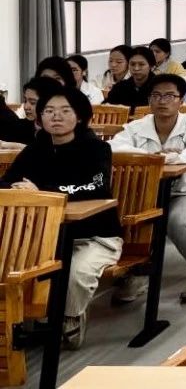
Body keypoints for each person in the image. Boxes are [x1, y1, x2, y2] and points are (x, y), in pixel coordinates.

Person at [0, 86, 123, 347]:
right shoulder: (35, 150)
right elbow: (7, 182)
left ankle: (70, 320)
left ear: (79, 116)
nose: (56, 116)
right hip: (43, 235)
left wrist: (43, 192)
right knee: (10, 265)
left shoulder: (96, 149)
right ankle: (15, 322)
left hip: (95, 236)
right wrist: (18, 190)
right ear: (40, 117)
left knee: (76, 273)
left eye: (65, 111)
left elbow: (97, 187)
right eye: (49, 111)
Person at [109, 74, 186, 301]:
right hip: (145, 194)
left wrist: (168, 159)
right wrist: (155, 157)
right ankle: (138, 273)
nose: (162, 101)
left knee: (177, 221)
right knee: (128, 220)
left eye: (169, 96)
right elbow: (114, 147)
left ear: (181, 100)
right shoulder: (136, 126)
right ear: (149, 99)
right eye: (156, 95)